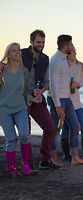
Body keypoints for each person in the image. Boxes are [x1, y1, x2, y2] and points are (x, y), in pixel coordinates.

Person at [21, 30, 60, 171]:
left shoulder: (45, 59)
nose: (41, 45)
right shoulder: (21, 54)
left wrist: (40, 93)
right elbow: (7, 65)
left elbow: (46, 82)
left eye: (43, 42)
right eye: (38, 42)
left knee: (50, 127)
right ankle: (28, 163)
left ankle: (45, 161)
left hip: (37, 98)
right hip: (21, 97)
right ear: (31, 42)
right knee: (26, 132)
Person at [47, 34, 83, 165]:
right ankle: (53, 157)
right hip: (57, 100)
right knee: (55, 129)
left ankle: (75, 157)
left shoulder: (64, 58)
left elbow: (73, 63)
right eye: (71, 45)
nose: (73, 47)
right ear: (65, 47)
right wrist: (58, 106)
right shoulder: (55, 61)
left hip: (67, 99)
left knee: (75, 126)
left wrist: (81, 65)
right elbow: (53, 85)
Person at [0, 42, 37, 176]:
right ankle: (11, 168)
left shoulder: (24, 72)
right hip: (4, 110)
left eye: (19, 50)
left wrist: (31, 99)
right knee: (11, 140)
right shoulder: (1, 70)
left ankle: (25, 164)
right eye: (14, 51)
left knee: (24, 135)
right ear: (8, 55)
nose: (18, 53)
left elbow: (26, 92)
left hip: (20, 107)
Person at [60, 47, 83, 162]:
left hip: (76, 102)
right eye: (73, 51)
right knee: (66, 128)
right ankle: (68, 155)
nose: (75, 53)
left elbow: (82, 81)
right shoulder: (63, 66)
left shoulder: (79, 66)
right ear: (67, 54)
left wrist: (78, 84)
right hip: (66, 101)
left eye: (75, 51)